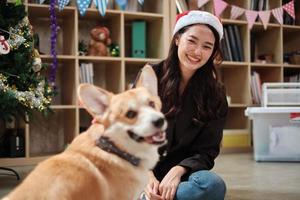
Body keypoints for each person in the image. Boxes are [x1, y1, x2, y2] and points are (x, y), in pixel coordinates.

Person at [135, 10, 228, 200]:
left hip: (185, 176)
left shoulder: (216, 93)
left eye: (207, 46)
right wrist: (146, 175)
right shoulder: (150, 74)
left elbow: (207, 151)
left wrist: (178, 171)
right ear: (177, 38)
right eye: (192, 41)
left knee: (214, 185)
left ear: (212, 53)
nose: (197, 52)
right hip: (143, 168)